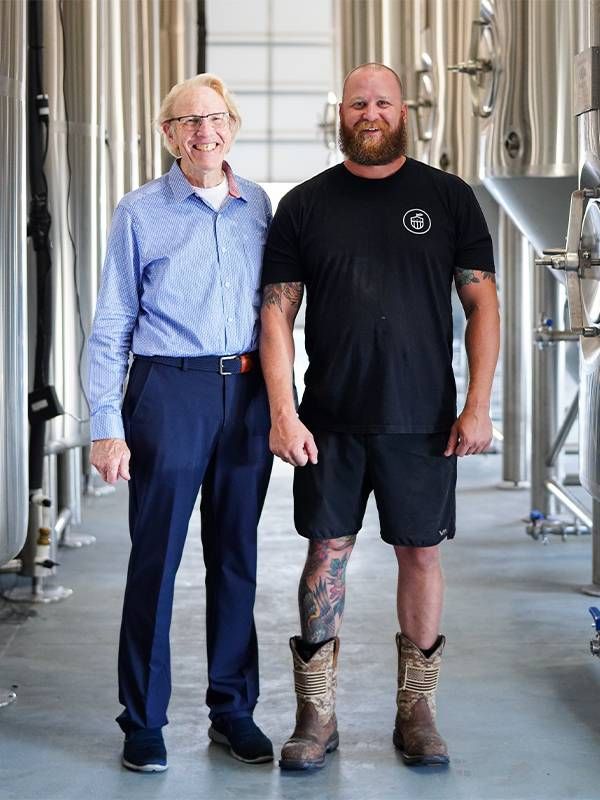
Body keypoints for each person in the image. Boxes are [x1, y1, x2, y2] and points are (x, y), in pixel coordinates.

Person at [259, 62, 500, 771]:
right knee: (326, 552)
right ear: (343, 112)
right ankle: (316, 715)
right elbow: (276, 313)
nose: (370, 112)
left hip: (422, 420)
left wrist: (478, 405)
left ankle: (417, 711)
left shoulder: (448, 198)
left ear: (404, 111)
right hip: (329, 420)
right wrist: (283, 412)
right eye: (358, 102)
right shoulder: (303, 206)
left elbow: (482, 304)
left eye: (382, 102)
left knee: (421, 552)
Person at [88, 73, 274, 772]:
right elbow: (112, 322)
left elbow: (280, 311)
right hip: (168, 391)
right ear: (169, 135)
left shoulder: (259, 204)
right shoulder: (140, 212)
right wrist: (107, 423)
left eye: (217, 118)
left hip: (247, 393)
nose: (205, 131)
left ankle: (233, 710)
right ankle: (143, 720)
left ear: (234, 125)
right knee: (156, 561)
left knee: (236, 559)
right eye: (189, 121)